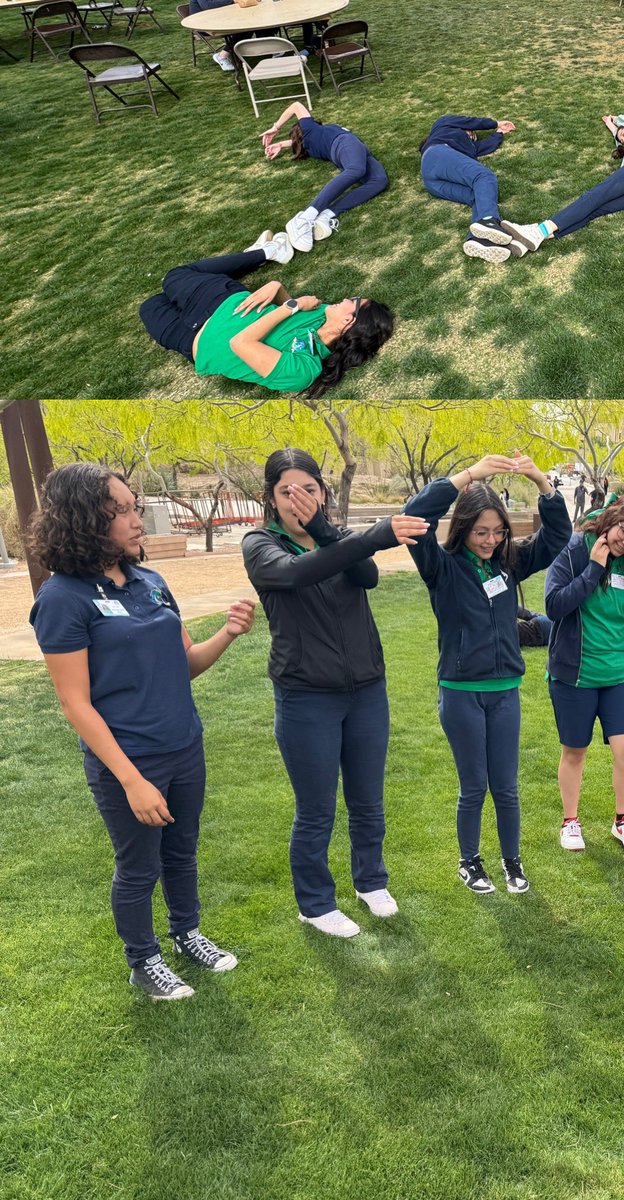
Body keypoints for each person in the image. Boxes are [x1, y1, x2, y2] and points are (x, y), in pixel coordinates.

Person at [29, 463, 256, 1000]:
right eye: (122, 511)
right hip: (128, 761)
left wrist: (226, 633)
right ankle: (144, 960)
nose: (137, 520)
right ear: (85, 519)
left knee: (182, 851)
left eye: (135, 508)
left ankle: (187, 934)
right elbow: (75, 703)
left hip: (184, 746)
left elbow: (186, 665)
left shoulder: (150, 583)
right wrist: (132, 780)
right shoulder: (63, 598)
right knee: (139, 866)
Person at [241, 450, 428, 937]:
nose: (297, 498)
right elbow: (297, 574)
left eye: (308, 488)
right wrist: (372, 537)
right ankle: (316, 902)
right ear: (272, 498)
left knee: (368, 799)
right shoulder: (260, 544)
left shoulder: (338, 537)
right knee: (317, 808)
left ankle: (371, 881)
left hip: (365, 689)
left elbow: (365, 575)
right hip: (306, 696)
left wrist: (332, 532)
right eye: (286, 490)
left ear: (322, 493)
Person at [404, 454, 572, 895]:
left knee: (507, 786)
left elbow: (558, 535)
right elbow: (415, 513)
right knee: (474, 786)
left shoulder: (507, 562)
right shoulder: (440, 566)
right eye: (481, 532)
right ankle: (469, 862)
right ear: (463, 528)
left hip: (505, 693)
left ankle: (512, 862)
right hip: (461, 693)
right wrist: (470, 476)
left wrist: (539, 479)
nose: (491, 540)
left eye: (498, 532)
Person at [543, 493, 624, 853]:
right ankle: (570, 821)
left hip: (621, 672)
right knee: (574, 751)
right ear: (613, 518)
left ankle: (623, 819)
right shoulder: (578, 549)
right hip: (575, 673)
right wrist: (593, 569)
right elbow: (554, 605)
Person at [140, 247, 392, 395]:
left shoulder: (304, 371)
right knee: (174, 277)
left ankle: (259, 252)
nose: (347, 297)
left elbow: (239, 343)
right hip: (221, 301)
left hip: (193, 341)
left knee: (149, 305)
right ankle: (266, 251)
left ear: (349, 319)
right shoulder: (322, 312)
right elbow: (287, 307)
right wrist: (276, 287)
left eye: (354, 300)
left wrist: (292, 305)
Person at [499, 115, 624, 253]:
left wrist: (615, 119)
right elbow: (618, 136)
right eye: (621, 139)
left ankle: (539, 230)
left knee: (599, 193)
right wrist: (613, 129)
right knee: (598, 209)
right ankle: (537, 236)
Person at [259, 103, 388, 252]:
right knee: (356, 170)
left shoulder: (309, 142)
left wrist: (281, 144)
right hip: (346, 144)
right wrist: (276, 127)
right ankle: (304, 218)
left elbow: (298, 142)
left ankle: (326, 214)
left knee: (379, 180)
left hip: (351, 151)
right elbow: (296, 105)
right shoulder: (310, 129)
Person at [419, 114, 524, 263]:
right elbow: (471, 121)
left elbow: (486, 146)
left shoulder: (470, 147)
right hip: (437, 155)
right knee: (484, 176)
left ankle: (478, 240)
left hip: (432, 183)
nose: (472, 135)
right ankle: (488, 221)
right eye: (472, 132)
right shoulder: (441, 125)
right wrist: (495, 123)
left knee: (479, 196)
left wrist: (500, 133)